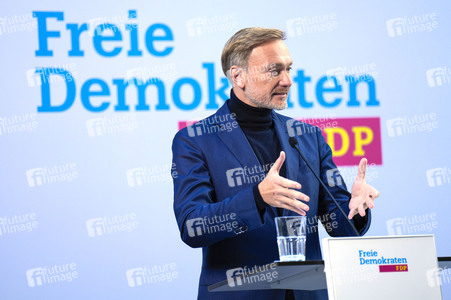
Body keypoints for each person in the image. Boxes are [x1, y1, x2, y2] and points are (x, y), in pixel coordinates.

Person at [171, 27, 379, 300]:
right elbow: (192, 226)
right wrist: (257, 198)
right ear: (238, 76)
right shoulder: (195, 140)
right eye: (274, 71)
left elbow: (340, 227)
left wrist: (355, 209)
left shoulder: (308, 137)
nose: (287, 80)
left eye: (289, 69)